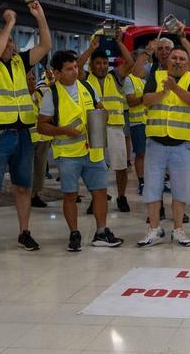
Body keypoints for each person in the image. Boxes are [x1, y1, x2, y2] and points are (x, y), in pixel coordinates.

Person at [0, 0, 52, 257]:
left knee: (23, 187)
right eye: (4, 41)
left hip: (22, 134)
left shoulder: (20, 62)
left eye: (11, 42)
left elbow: (45, 45)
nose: (9, 45)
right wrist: (10, 22)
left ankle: (24, 232)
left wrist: (40, 17)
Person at [37, 51, 121, 251]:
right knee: (70, 195)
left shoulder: (88, 87)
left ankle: (101, 232)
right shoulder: (51, 95)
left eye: (76, 67)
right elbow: (41, 126)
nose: (74, 72)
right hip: (68, 154)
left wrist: (102, 115)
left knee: (100, 192)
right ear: (57, 73)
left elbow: (100, 109)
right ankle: (74, 233)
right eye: (69, 69)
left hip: (93, 151)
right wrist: (63, 130)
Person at [136, 46, 190, 247]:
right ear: (167, 60)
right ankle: (154, 229)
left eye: (182, 58)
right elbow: (146, 100)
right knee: (152, 188)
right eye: (174, 57)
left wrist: (174, 88)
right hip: (155, 143)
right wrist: (163, 92)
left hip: (182, 145)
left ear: (187, 62)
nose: (178, 61)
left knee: (181, 189)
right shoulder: (156, 77)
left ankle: (178, 229)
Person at [78, 32, 136, 212]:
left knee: (121, 165)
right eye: (98, 63)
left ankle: (121, 196)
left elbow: (130, 63)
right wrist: (91, 48)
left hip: (115, 126)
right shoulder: (86, 79)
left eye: (105, 63)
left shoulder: (115, 77)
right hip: (93, 127)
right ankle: (96, 198)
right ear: (92, 65)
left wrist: (119, 42)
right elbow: (78, 64)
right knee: (95, 165)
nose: (102, 66)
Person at [123, 50, 150, 195]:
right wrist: (144, 98)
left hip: (149, 123)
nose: (145, 67)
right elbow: (131, 101)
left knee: (151, 154)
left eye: (146, 64)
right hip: (137, 124)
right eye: (144, 63)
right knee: (140, 154)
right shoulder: (129, 80)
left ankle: (152, 181)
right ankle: (142, 182)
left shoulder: (144, 81)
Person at [28, 70, 53, 208]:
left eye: (33, 78)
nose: (32, 81)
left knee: (40, 169)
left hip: (43, 138)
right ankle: (27, 194)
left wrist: (51, 78)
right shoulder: (21, 97)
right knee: (28, 169)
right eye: (28, 79)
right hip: (28, 138)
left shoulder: (40, 93)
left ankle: (35, 194)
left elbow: (54, 86)